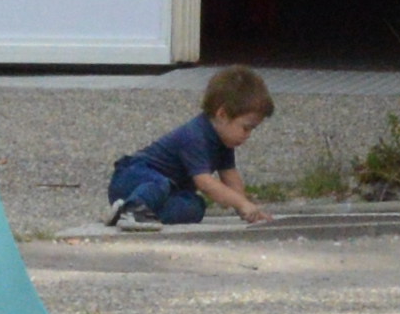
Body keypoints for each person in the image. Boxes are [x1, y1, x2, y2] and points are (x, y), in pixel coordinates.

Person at [108, 66, 278, 228]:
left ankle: (127, 212)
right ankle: (134, 207)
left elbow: (230, 176)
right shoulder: (195, 135)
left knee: (194, 207)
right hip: (134, 176)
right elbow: (204, 183)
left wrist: (246, 207)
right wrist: (241, 203)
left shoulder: (224, 142)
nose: (247, 135)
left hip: (164, 192)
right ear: (222, 114)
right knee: (160, 183)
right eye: (246, 127)